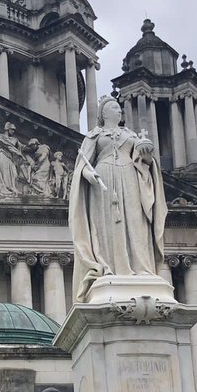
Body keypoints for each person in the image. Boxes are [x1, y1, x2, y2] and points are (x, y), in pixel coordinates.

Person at [68, 95, 166, 301]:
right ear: (104, 113)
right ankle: (109, 266)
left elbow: (143, 161)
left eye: (119, 107)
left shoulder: (130, 134)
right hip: (103, 182)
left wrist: (146, 154)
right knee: (107, 225)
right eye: (113, 107)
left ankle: (140, 267)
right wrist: (88, 174)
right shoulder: (94, 136)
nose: (119, 110)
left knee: (135, 221)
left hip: (129, 178)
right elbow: (83, 164)